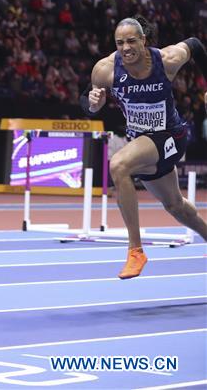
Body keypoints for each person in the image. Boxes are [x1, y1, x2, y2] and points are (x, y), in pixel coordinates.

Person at [87, 17, 207, 279]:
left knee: (119, 165)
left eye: (132, 41)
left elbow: (196, 45)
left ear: (143, 40)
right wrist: (93, 102)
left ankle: (136, 251)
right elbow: (91, 103)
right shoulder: (105, 70)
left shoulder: (166, 60)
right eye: (120, 43)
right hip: (142, 142)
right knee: (175, 206)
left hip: (170, 136)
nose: (126, 47)